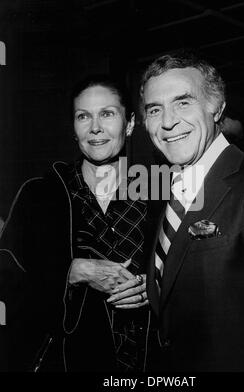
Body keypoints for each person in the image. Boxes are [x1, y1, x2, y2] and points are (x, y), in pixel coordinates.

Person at [126, 51, 244, 371]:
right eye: (154, 109)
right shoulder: (168, 190)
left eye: (183, 102)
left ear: (216, 106)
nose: (167, 122)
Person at [0, 75, 151, 372]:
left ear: (130, 123)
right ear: (74, 127)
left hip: (145, 360)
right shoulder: (39, 193)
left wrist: (156, 288)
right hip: (68, 359)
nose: (95, 127)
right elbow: (5, 272)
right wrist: (71, 271)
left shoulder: (159, 191)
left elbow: (194, 276)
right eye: (84, 116)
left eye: (107, 114)